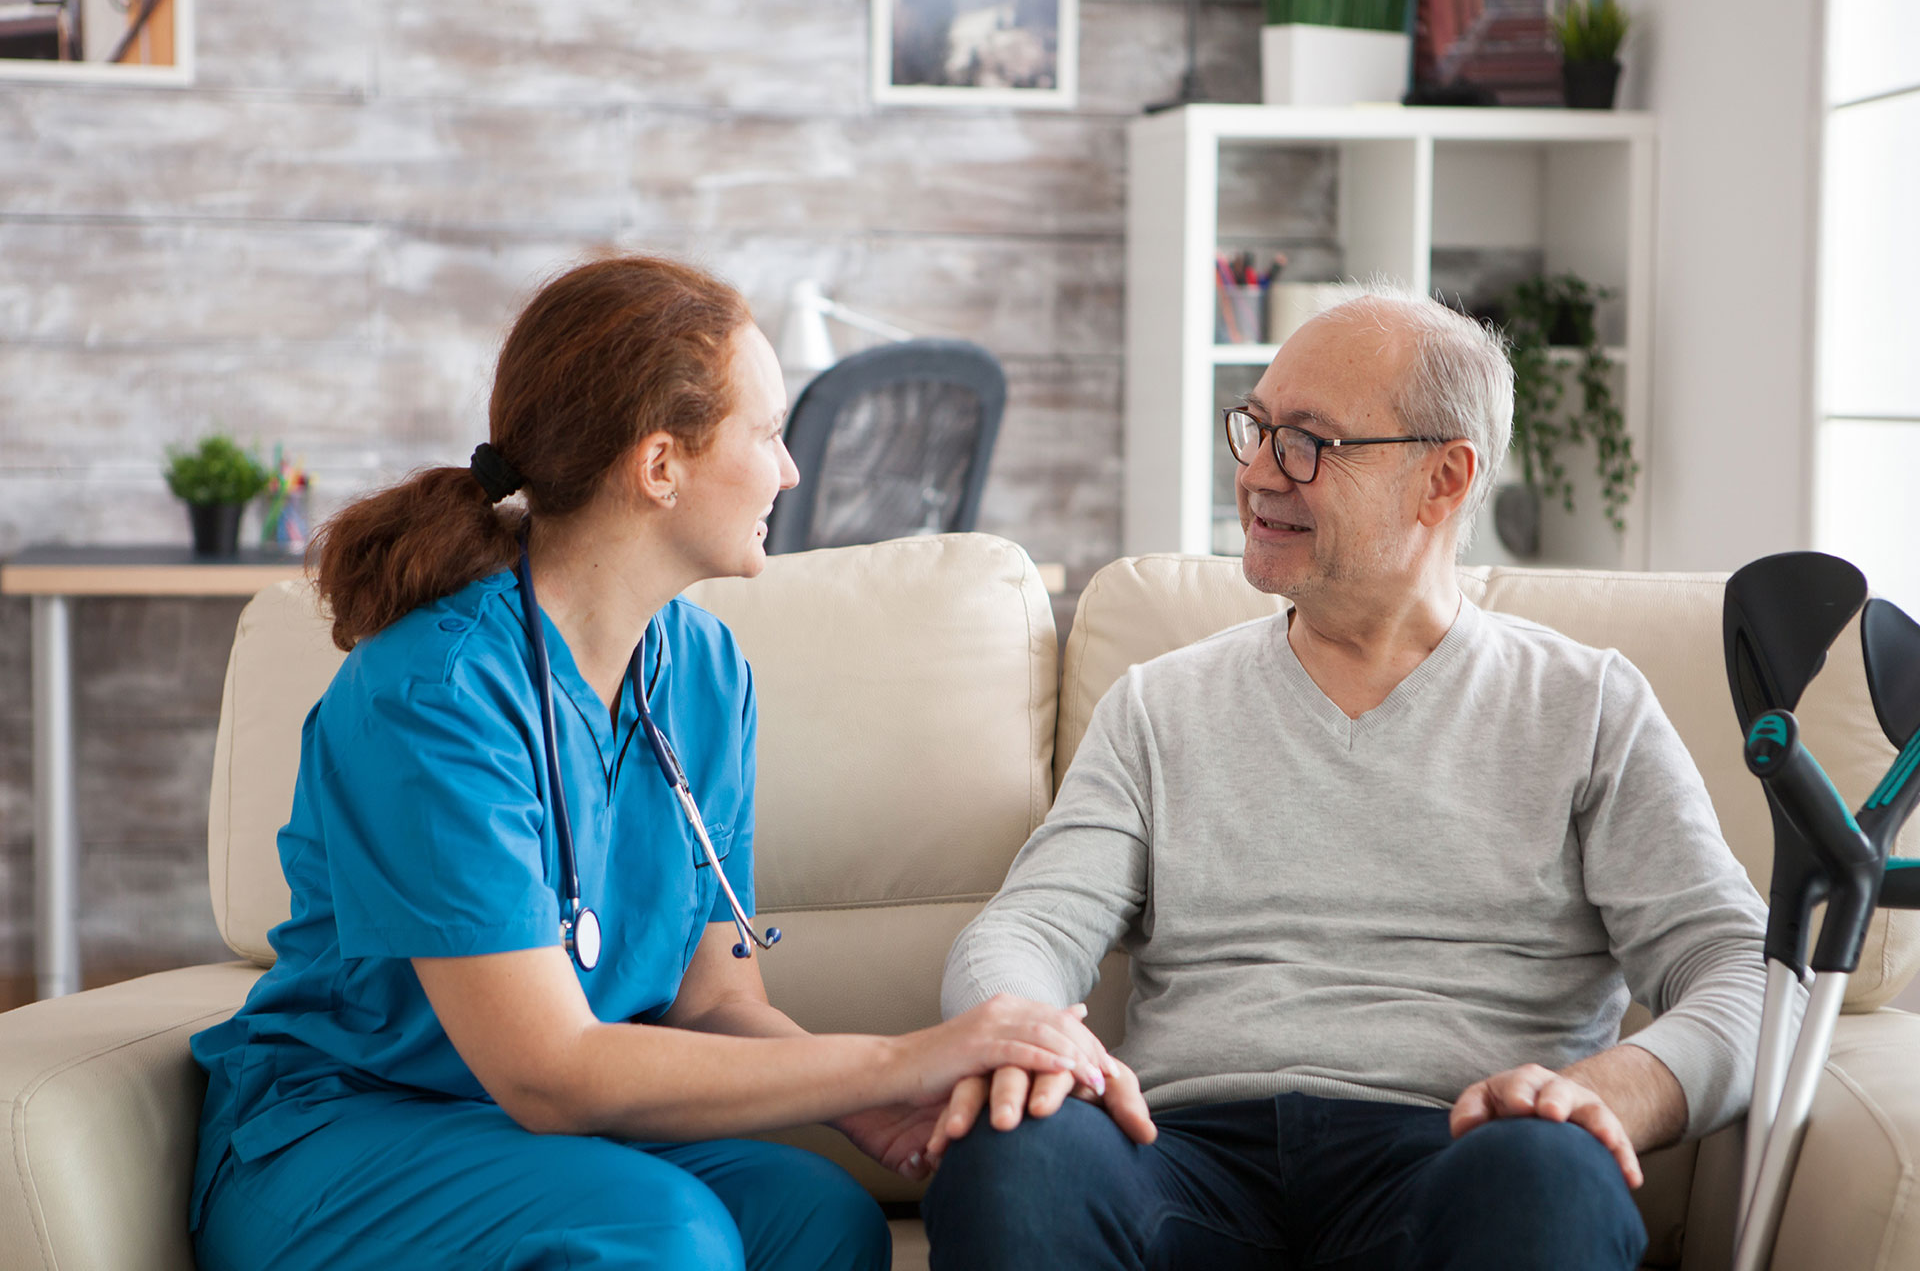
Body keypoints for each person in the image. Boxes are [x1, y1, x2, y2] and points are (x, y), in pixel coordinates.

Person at [187, 255, 1116, 1271]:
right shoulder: (433, 693)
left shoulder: (705, 673)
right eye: (767, 435)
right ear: (660, 464)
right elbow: (548, 1068)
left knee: (819, 1218)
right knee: (661, 1234)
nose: (790, 471)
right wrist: (899, 1054)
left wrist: (866, 1099)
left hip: (553, 1138)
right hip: (349, 1133)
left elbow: (714, 1001)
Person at [919, 289, 1772, 1271]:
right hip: (1185, 1155)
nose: (1254, 474)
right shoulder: (1162, 703)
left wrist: (1617, 1085)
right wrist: (1023, 1025)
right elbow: (1025, 928)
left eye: (1306, 442)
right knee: (1011, 1152)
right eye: (1256, 429)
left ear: (1441, 478)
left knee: (1551, 1173)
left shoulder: (1587, 707)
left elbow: (1744, 969)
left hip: (1462, 1151)